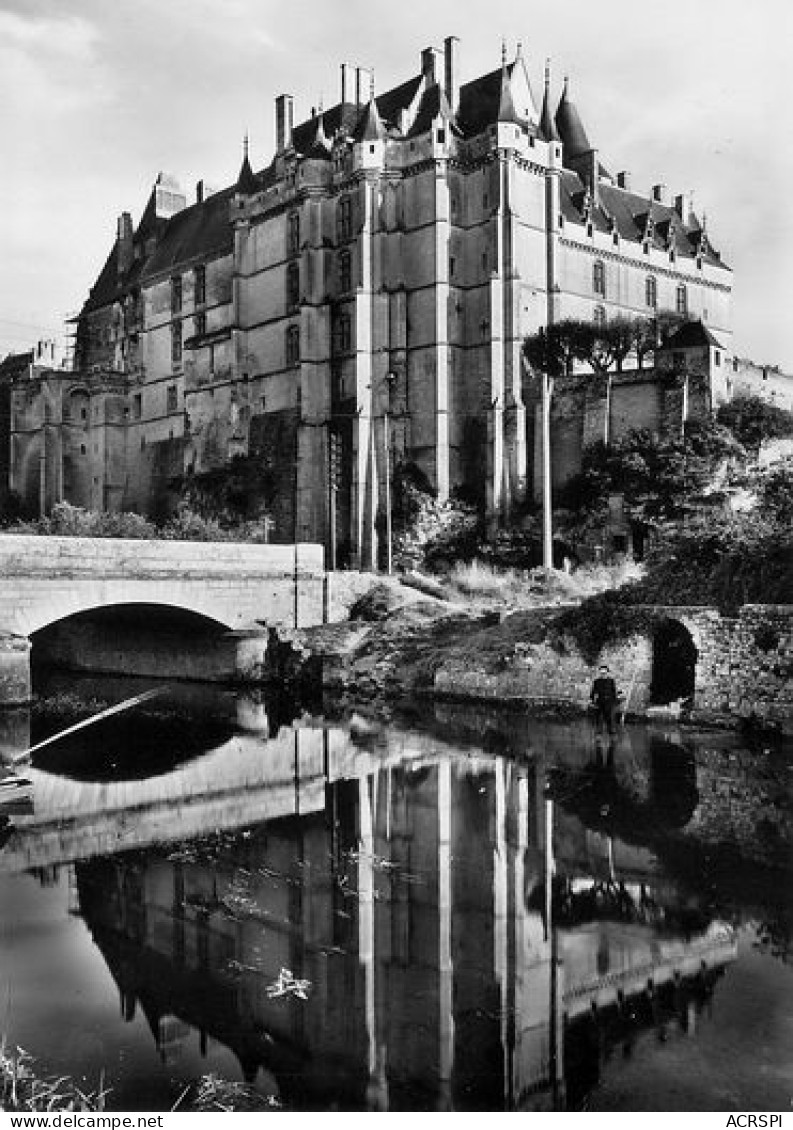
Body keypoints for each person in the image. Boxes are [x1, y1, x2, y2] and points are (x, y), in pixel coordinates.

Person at [590, 664, 620, 735]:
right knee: (599, 718)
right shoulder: (596, 681)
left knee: (610, 717)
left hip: (609, 702)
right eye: (601, 673)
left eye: (604, 673)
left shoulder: (611, 681)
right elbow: (593, 691)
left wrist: (614, 701)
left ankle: (611, 731)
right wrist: (592, 700)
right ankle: (599, 731)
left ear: (607, 672)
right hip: (600, 701)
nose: (603, 674)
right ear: (600, 673)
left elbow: (613, 691)